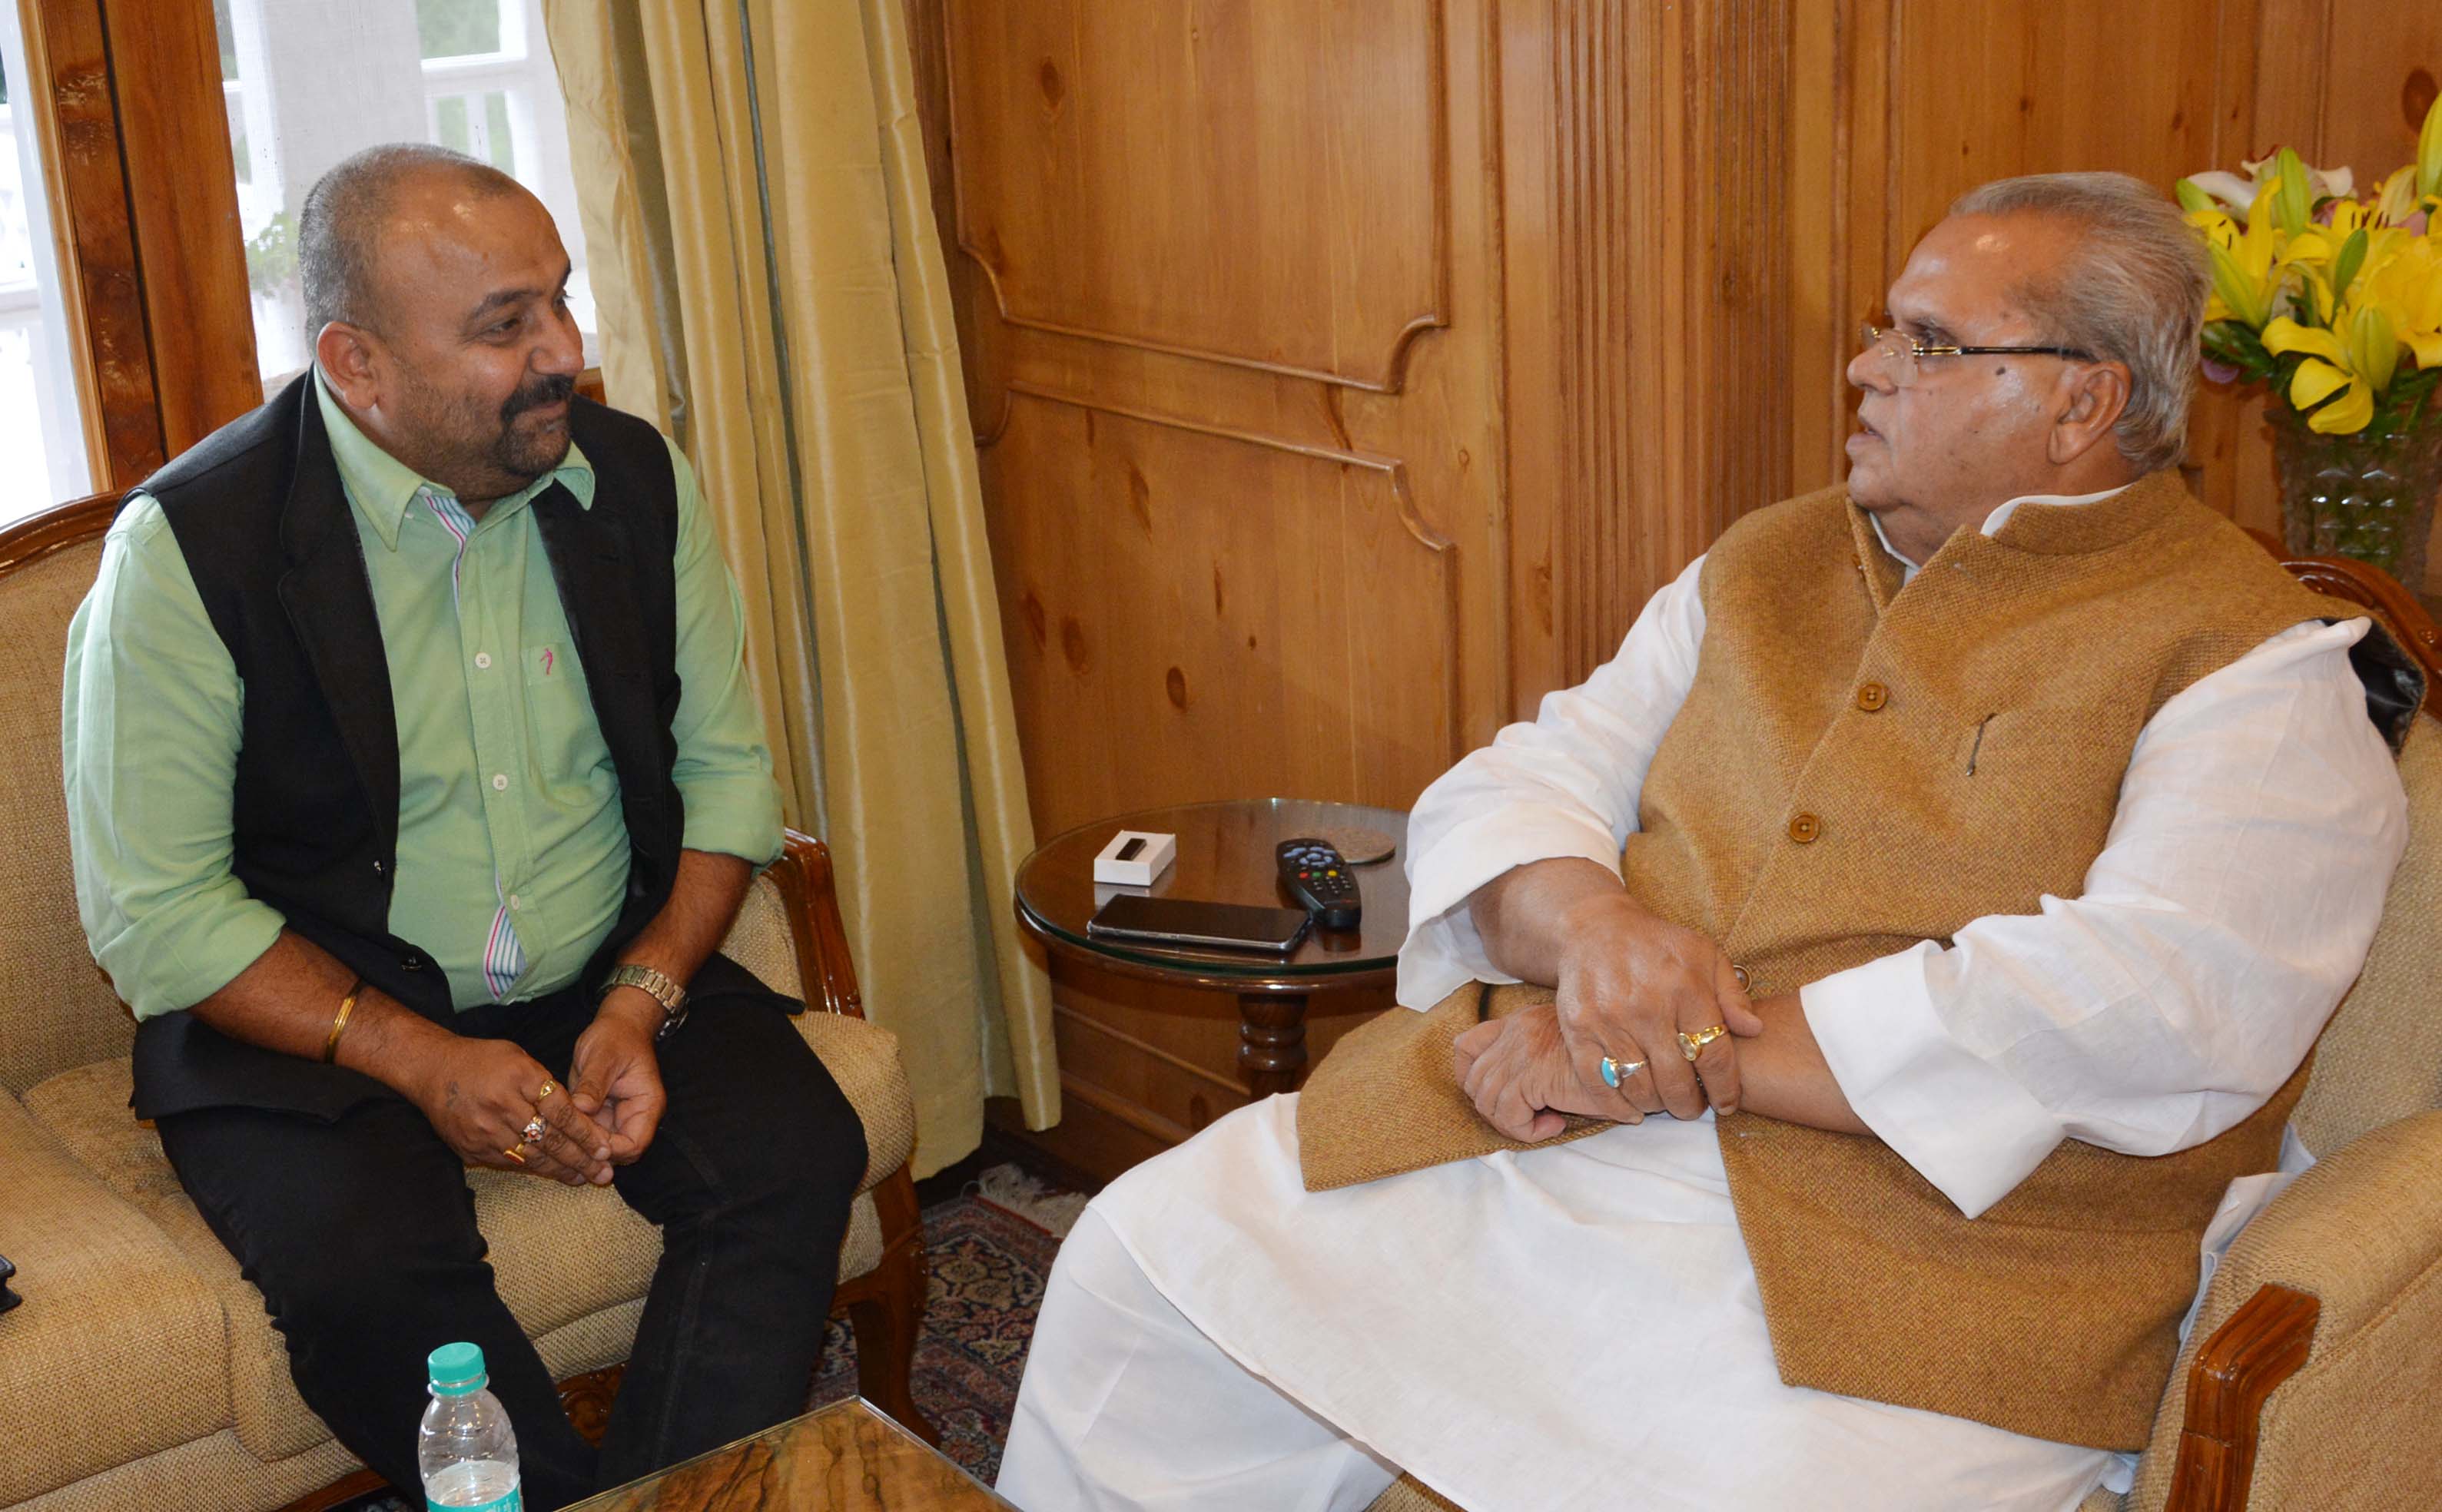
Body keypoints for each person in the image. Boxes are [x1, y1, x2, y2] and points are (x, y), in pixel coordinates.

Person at [994, 172, 2420, 1510]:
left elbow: (2158, 1001)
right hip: (1552, 1124)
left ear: (2079, 402)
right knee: (1153, 1256)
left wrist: (1665, 1053)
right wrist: (1595, 936)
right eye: (1881, 328)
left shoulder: (2256, 668)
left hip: (1935, 1251)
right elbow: (1537, 770)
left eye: (1925, 343)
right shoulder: (1768, 560)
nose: (1864, 369)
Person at [63, 143, 866, 1510]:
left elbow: (727, 777)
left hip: (602, 963)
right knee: (370, 1282)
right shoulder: (193, 547)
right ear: (356, 363)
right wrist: (423, 1059)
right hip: (319, 1005)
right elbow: (157, 914)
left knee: (794, 1155)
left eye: (559, 299)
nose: (562, 352)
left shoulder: (633, 479)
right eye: (504, 326)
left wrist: (644, 996)